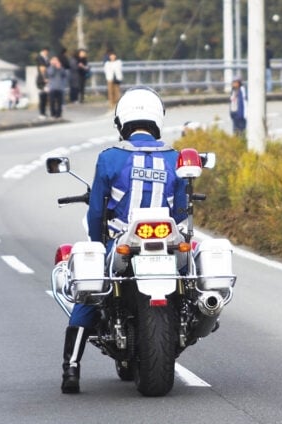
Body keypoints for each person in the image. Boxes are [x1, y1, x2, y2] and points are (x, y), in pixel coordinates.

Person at [61, 86, 188, 394]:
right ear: (157, 119)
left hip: (122, 242)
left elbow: (96, 211)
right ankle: (187, 318)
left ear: (121, 121)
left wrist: (97, 242)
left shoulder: (110, 158)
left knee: (91, 290)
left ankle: (71, 368)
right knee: (190, 285)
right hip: (168, 242)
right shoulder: (175, 158)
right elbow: (182, 211)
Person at [36, 48, 50, 119]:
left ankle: (44, 113)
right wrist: (44, 81)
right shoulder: (40, 75)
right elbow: (39, 82)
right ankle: (41, 113)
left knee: (45, 100)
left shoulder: (46, 73)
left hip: (46, 85)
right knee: (42, 99)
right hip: (42, 85)